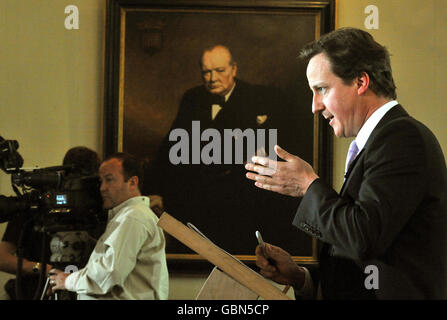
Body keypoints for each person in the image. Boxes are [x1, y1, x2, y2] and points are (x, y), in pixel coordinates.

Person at [246, 27, 447, 299]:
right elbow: (363, 254)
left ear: (360, 82)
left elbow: (364, 237)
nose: (315, 106)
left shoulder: (402, 137)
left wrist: (308, 184)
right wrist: (300, 278)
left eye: (322, 89)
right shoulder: (382, 140)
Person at [144, 44, 301, 254]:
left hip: (241, 206)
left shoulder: (260, 98)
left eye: (220, 71)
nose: (212, 78)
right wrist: (155, 191)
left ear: (233, 69)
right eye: (206, 72)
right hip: (198, 204)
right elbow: (170, 150)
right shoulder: (192, 99)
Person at [48, 152, 169, 300]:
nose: (102, 188)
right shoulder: (126, 216)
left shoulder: (133, 218)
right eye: (101, 181)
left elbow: (111, 273)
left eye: (109, 180)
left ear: (132, 182)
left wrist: (67, 281)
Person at [0, 146, 100, 300]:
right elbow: (2, 257)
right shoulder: (39, 203)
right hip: (32, 292)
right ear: (62, 173)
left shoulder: (99, 208)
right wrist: (42, 269)